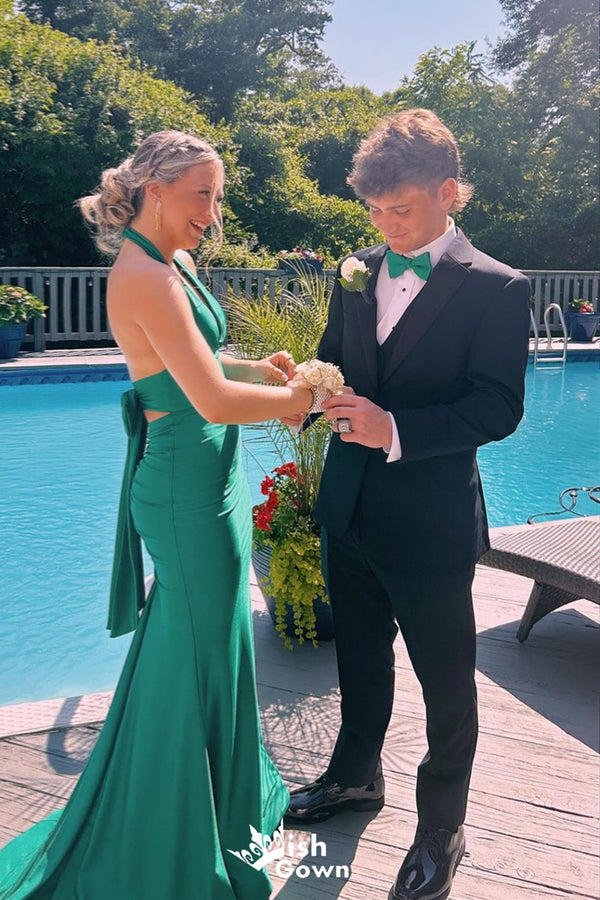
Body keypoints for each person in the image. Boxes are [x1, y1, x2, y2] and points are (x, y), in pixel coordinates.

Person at [0, 130, 318, 900]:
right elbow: (209, 400)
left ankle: (219, 812)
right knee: (194, 658)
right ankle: (168, 840)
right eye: (202, 193)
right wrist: (299, 399)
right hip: (182, 492)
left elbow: (201, 367)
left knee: (208, 649)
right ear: (155, 189)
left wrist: (262, 370)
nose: (213, 211)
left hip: (213, 480)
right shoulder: (143, 274)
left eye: (217, 195)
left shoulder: (175, 262)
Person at [284, 109, 531, 900]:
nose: (385, 227)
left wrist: (394, 430)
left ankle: (441, 830)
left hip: (430, 522)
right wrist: (303, 389)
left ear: (447, 192)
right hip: (348, 507)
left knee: (446, 684)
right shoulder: (355, 270)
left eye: (401, 209)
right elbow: (336, 358)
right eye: (375, 211)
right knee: (358, 657)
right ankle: (356, 777)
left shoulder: (498, 287)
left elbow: (498, 408)